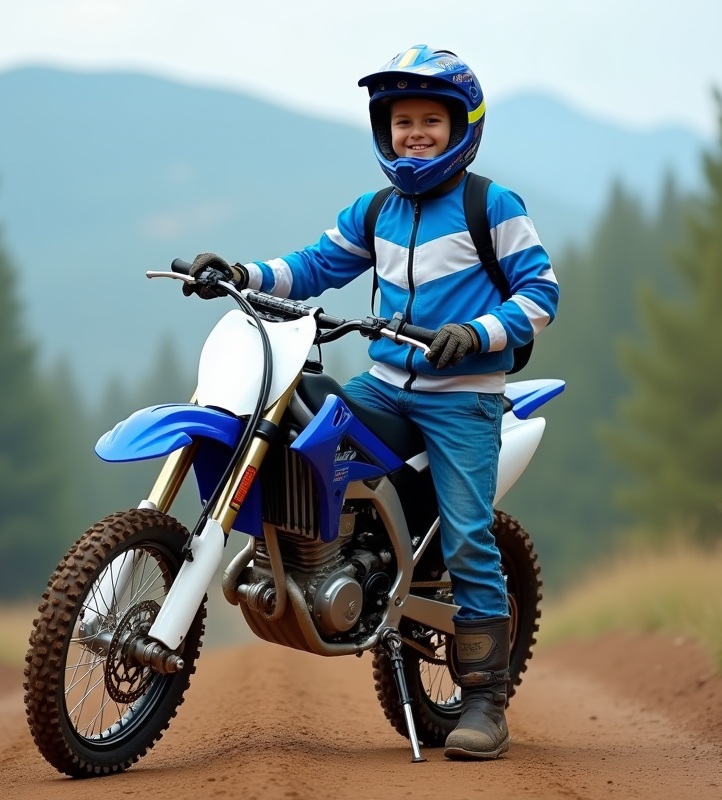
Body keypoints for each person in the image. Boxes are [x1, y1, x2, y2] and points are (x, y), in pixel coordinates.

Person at [185, 45, 559, 760]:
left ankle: (485, 702)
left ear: (461, 127)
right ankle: (333, 560)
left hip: (463, 398)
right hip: (384, 385)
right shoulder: (376, 210)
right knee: (305, 435)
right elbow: (313, 266)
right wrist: (240, 273)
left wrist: (476, 333)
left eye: (430, 121)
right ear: (384, 129)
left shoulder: (492, 206)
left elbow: (540, 294)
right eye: (401, 121)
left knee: (468, 534)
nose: (414, 134)